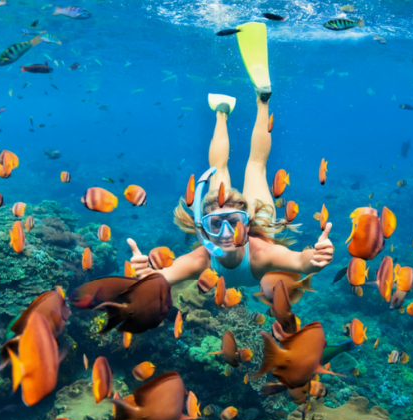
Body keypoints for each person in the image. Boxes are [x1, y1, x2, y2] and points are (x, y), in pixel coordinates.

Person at [127, 22, 334, 288]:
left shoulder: (260, 253)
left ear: (246, 225)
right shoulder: (201, 259)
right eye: (216, 225)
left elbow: (300, 262)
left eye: (233, 222)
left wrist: (314, 260)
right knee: (255, 166)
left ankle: (226, 110)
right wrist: (147, 276)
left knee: (225, 168)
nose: (226, 234)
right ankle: (256, 101)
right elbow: (162, 278)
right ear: (205, 230)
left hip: (254, 222)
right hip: (264, 219)